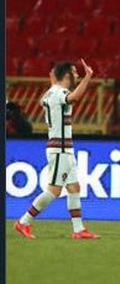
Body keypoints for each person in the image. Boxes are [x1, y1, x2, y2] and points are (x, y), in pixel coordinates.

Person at [14, 60, 99, 239]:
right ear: (67, 75)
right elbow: (74, 98)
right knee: (54, 190)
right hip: (59, 149)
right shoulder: (59, 93)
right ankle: (23, 222)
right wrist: (88, 77)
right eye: (75, 73)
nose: (77, 75)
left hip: (64, 148)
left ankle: (78, 230)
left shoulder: (51, 93)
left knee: (74, 187)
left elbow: (43, 101)